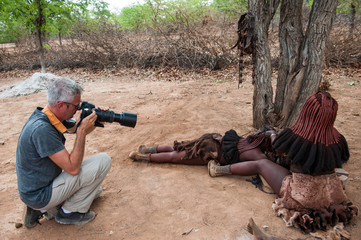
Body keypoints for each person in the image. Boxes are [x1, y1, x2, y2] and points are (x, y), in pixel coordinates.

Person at [207, 91, 358, 232]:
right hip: (332, 195)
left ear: (307, 110)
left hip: (302, 197)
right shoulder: (338, 140)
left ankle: (218, 170)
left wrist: (272, 134)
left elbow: (279, 152)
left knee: (261, 164)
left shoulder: (296, 137)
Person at [16, 78, 112, 228]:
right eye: (76, 105)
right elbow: (73, 168)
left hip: (38, 187)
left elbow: (74, 128)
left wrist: (96, 120)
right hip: (40, 194)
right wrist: (81, 131)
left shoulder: (47, 116)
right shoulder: (42, 130)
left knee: (95, 190)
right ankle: (68, 213)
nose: (78, 109)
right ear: (61, 105)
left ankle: (43, 208)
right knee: (103, 161)